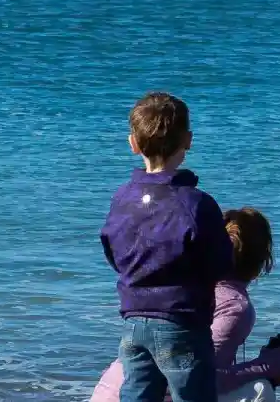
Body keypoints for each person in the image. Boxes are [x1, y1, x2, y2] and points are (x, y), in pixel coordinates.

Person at [100, 91, 236, 402]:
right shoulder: (196, 203)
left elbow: (112, 247)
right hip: (181, 323)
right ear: (188, 140)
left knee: (137, 395)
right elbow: (221, 262)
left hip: (133, 321)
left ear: (133, 144)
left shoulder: (122, 198)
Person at [92, 206, 280, 402]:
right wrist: (266, 366)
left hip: (108, 392)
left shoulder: (180, 284)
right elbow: (199, 379)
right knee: (260, 389)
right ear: (263, 261)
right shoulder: (234, 306)